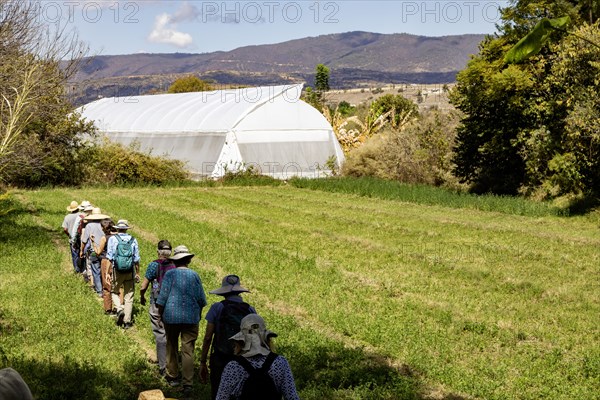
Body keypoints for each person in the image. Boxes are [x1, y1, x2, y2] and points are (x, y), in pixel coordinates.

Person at [156, 245, 207, 397]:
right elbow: (201, 299)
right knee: (188, 350)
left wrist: (160, 315)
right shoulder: (194, 275)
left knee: (171, 345)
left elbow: (162, 298)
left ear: (175, 261)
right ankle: (188, 384)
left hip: (171, 317)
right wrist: (197, 313)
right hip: (191, 318)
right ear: (188, 260)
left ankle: (172, 376)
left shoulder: (170, 275)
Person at [216, 314, 299, 400]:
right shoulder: (280, 362)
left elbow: (221, 397)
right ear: (266, 337)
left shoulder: (233, 366)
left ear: (241, 340)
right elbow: (292, 397)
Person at [200, 275, 256, 399]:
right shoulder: (250, 309)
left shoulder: (217, 308)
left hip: (221, 358)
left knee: (218, 392)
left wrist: (203, 361)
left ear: (224, 292)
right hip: (244, 359)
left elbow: (208, 337)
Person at [139, 240, 176, 377]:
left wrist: (142, 296)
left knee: (160, 335)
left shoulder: (153, 265)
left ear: (158, 252)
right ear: (170, 252)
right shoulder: (175, 265)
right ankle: (173, 365)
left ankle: (162, 367)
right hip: (172, 304)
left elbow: (143, 286)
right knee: (171, 336)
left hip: (156, 303)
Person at [106, 219, 141, 329]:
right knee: (129, 296)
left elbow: (110, 257)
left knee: (114, 291)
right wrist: (137, 272)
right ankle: (127, 321)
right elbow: (136, 259)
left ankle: (119, 308)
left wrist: (108, 272)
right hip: (130, 271)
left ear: (117, 228)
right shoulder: (133, 240)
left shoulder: (113, 239)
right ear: (126, 229)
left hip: (117, 271)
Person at [80, 207, 110, 297]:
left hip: (94, 251)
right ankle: (107, 288)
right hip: (105, 251)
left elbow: (84, 240)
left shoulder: (89, 225)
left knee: (95, 271)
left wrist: (82, 250)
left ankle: (99, 291)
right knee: (105, 271)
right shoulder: (106, 224)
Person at [93, 219, 116, 314]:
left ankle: (108, 308)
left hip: (106, 261)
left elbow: (98, 252)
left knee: (107, 285)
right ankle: (120, 307)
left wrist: (93, 242)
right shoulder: (118, 237)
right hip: (117, 261)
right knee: (118, 285)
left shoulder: (104, 238)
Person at [62, 201, 80, 272]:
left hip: (72, 238)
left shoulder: (67, 217)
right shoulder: (82, 215)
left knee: (74, 254)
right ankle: (82, 268)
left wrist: (69, 234)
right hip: (81, 237)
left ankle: (76, 269)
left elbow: (65, 229)